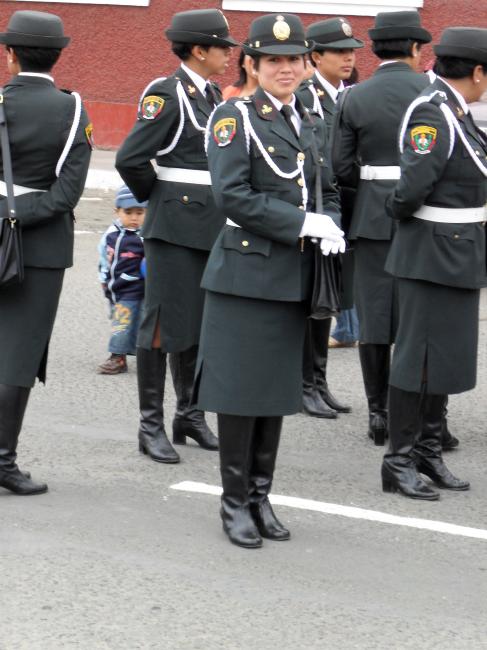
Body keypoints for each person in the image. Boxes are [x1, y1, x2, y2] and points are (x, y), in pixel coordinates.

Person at [194, 13, 345, 548]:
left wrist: (330, 223)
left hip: (292, 275)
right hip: (246, 273)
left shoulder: (305, 115)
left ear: (307, 65)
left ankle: (261, 495)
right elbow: (231, 195)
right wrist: (301, 223)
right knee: (240, 392)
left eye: (294, 59)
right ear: (252, 65)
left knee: (275, 390)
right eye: (273, 60)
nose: (286, 68)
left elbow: (323, 186)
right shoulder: (235, 117)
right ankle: (234, 502)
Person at [115, 9, 237, 464]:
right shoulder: (167, 93)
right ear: (198, 50)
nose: (229, 53)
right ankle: (151, 425)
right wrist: (160, 198)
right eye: (222, 46)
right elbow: (131, 157)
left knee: (200, 324)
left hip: (208, 225)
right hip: (174, 225)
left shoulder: (208, 94)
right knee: (163, 325)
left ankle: (190, 413)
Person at [381, 27, 487, 499]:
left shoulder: (455, 111)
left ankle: (427, 449)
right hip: (430, 251)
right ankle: (398, 459)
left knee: (440, 358)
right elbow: (410, 190)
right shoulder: (433, 111)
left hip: (457, 250)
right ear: (479, 72)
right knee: (415, 360)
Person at [0, 10, 92, 495]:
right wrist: (18, 218)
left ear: (9, 54)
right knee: (16, 355)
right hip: (39, 245)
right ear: (58, 56)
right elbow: (67, 193)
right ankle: (2, 461)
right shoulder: (73, 109)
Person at [332, 11, 432, 445]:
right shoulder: (435, 93)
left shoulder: (353, 97)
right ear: (415, 48)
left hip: (373, 216)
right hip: (427, 214)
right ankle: (428, 417)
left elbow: (339, 166)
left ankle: (378, 414)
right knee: (422, 318)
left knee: (376, 319)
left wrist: (370, 194)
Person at [296, 17, 363, 416]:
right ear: (315, 56)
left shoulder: (345, 96)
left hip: (339, 210)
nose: (349, 57)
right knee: (312, 299)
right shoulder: (307, 97)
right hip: (314, 211)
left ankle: (319, 381)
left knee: (328, 298)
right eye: (339, 51)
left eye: (352, 50)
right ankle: (305, 383)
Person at [97, 185, 147, 375]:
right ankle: (122, 356)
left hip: (139, 287)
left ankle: (125, 356)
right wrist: (103, 279)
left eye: (139, 212)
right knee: (123, 321)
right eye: (128, 212)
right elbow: (103, 257)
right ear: (117, 211)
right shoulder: (111, 234)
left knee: (133, 321)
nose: (134, 218)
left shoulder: (145, 236)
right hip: (117, 287)